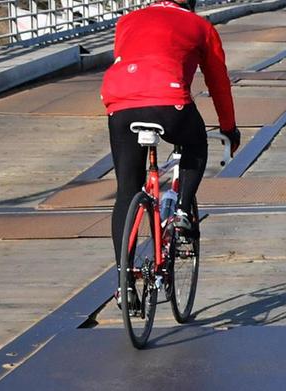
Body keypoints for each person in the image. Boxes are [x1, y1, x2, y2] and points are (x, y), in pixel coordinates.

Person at [100, 0, 241, 273]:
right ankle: (182, 212)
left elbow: (129, 58)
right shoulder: (200, 26)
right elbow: (218, 81)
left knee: (127, 191)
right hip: (169, 100)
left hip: (120, 101)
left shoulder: (127, 21)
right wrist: (228, 127)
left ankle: (124, 278)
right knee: (195, 143)